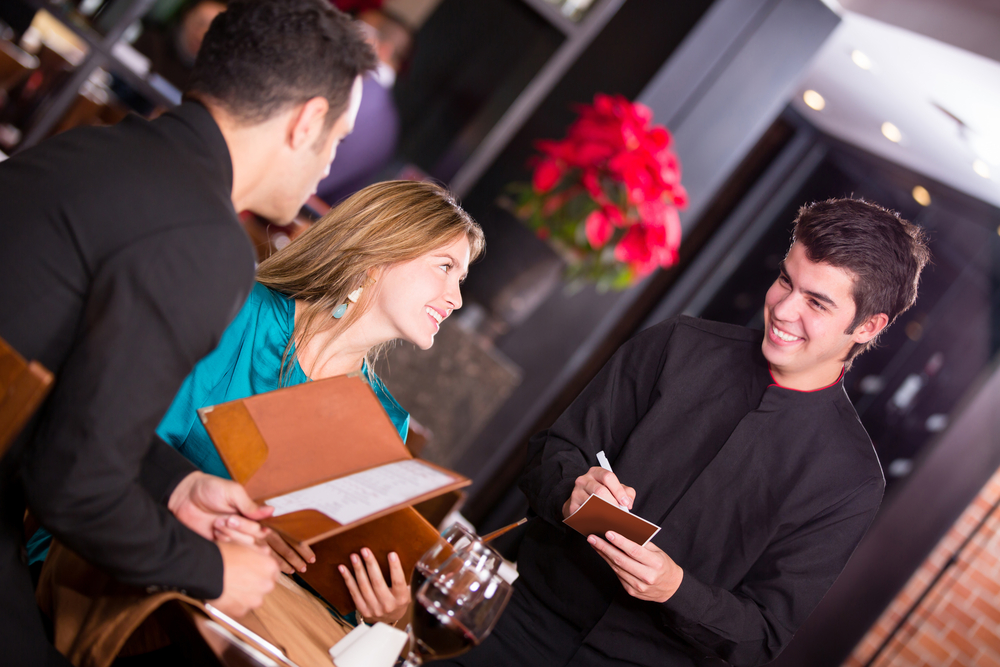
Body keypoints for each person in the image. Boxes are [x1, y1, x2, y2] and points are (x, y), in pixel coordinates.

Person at [0, 1, 374, 664]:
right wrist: (212, 569)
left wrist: (175, 483)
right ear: (307, 121)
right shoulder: (206, 240)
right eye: (338, 139)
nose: (328, 169)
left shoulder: (100, 146)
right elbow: (74, 486)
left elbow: (69, 407)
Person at [438, 198, 930, 667]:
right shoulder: (678, 344)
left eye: (816, 303)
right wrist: (572, 492)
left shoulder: (850, 480)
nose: (783, 310)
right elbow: (551, 451)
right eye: (786, 280)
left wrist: (676, 590)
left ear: (868, 326)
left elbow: (763, 635)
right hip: (515, 621)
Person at [155, 180, 484, 625]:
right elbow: (124, 446)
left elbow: (321, 572)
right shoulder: (243, 312)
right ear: (379, 254)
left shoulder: (387, 423)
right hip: (142, 570)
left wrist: (379, 609)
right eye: (444, 266)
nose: (456, 299)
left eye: (460, 279)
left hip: (243, 620)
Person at [315, 9, 411, 205]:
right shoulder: (391, 128)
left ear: (384, 49)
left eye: (359, 28)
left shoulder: (345, 79)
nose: (347, 32)